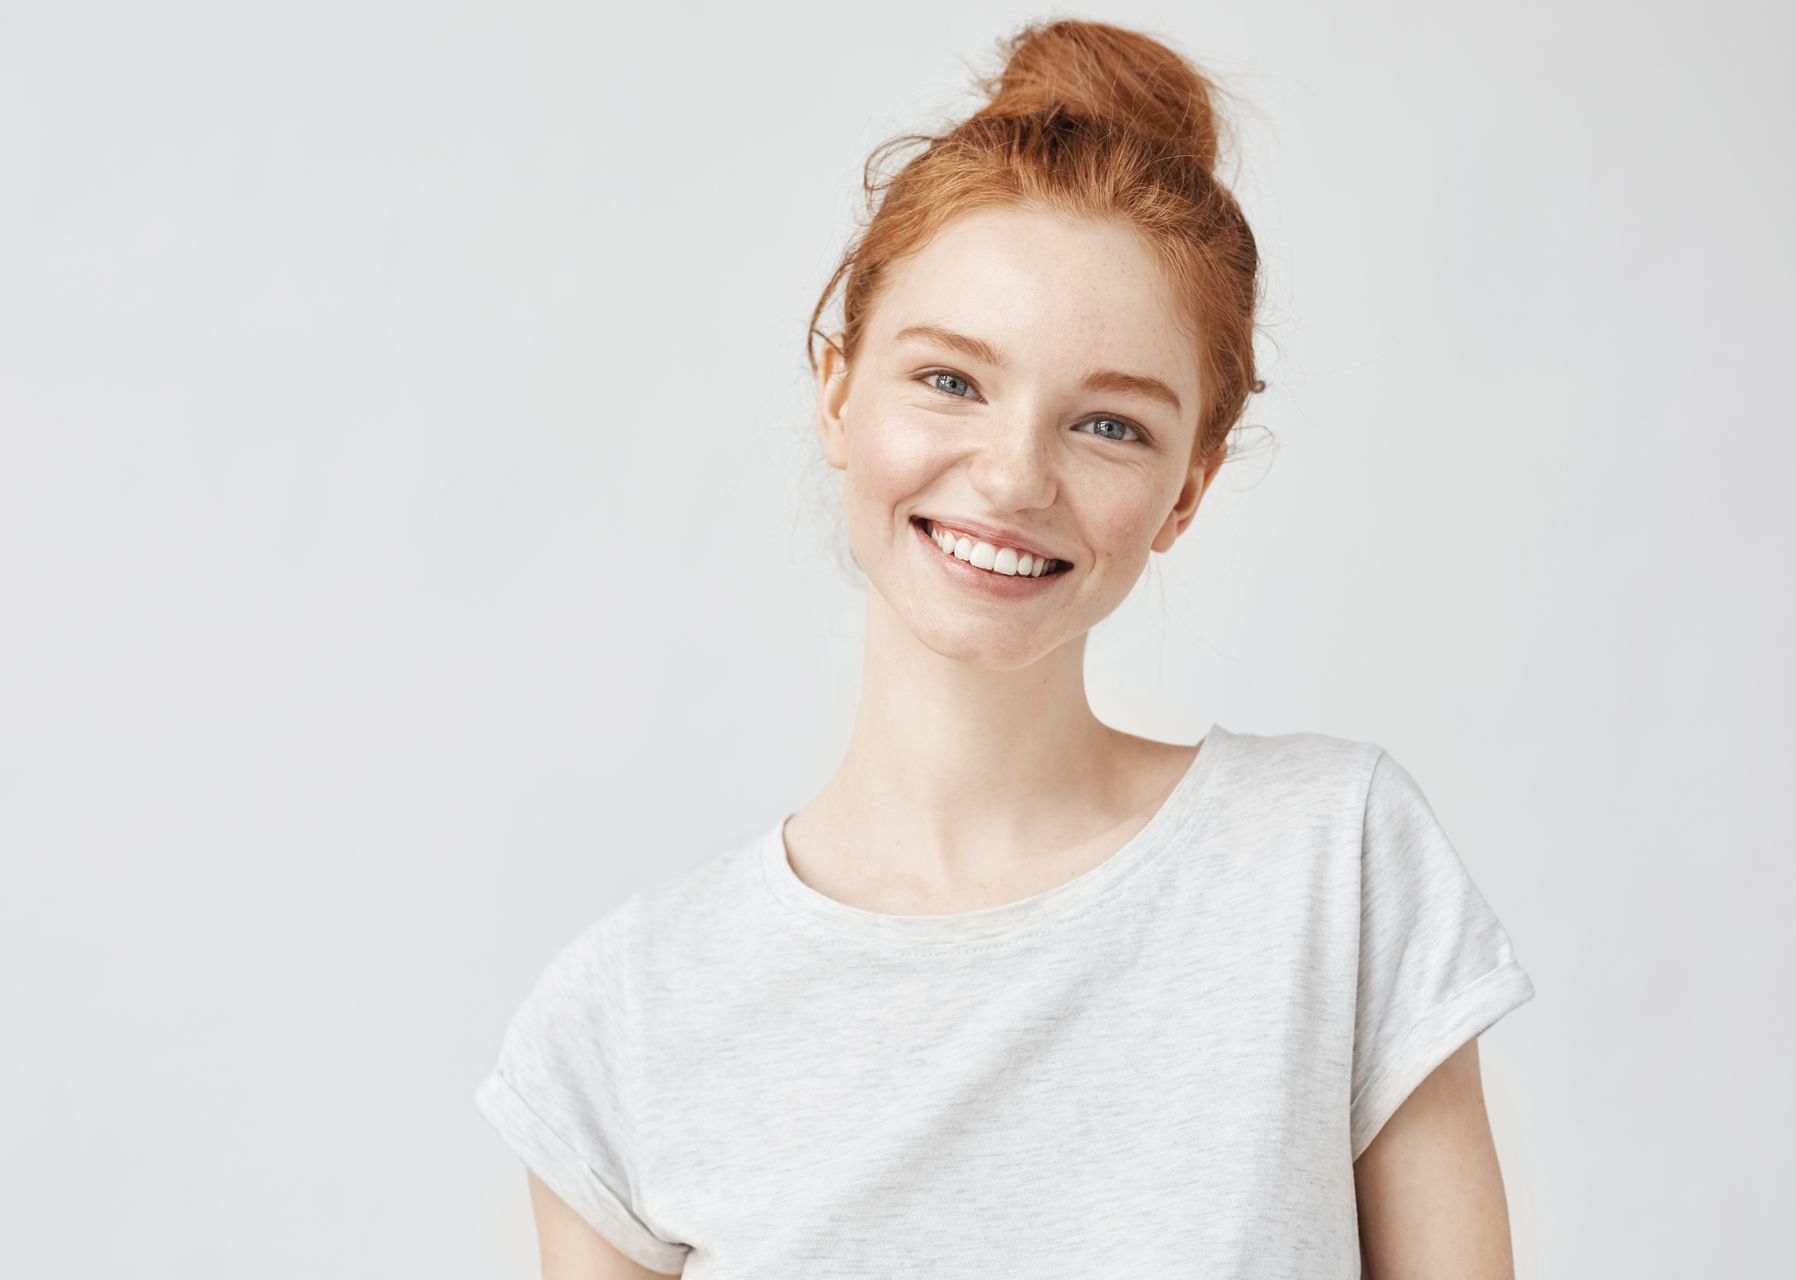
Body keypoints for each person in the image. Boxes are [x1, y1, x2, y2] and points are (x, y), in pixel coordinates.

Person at [474, 17, 1535, 1279]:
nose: (1015, 475)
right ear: (837, 390)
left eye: (1109, 424)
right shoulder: (627, 1015)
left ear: (1186, 493)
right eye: (951, 381)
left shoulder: (1331, 864)